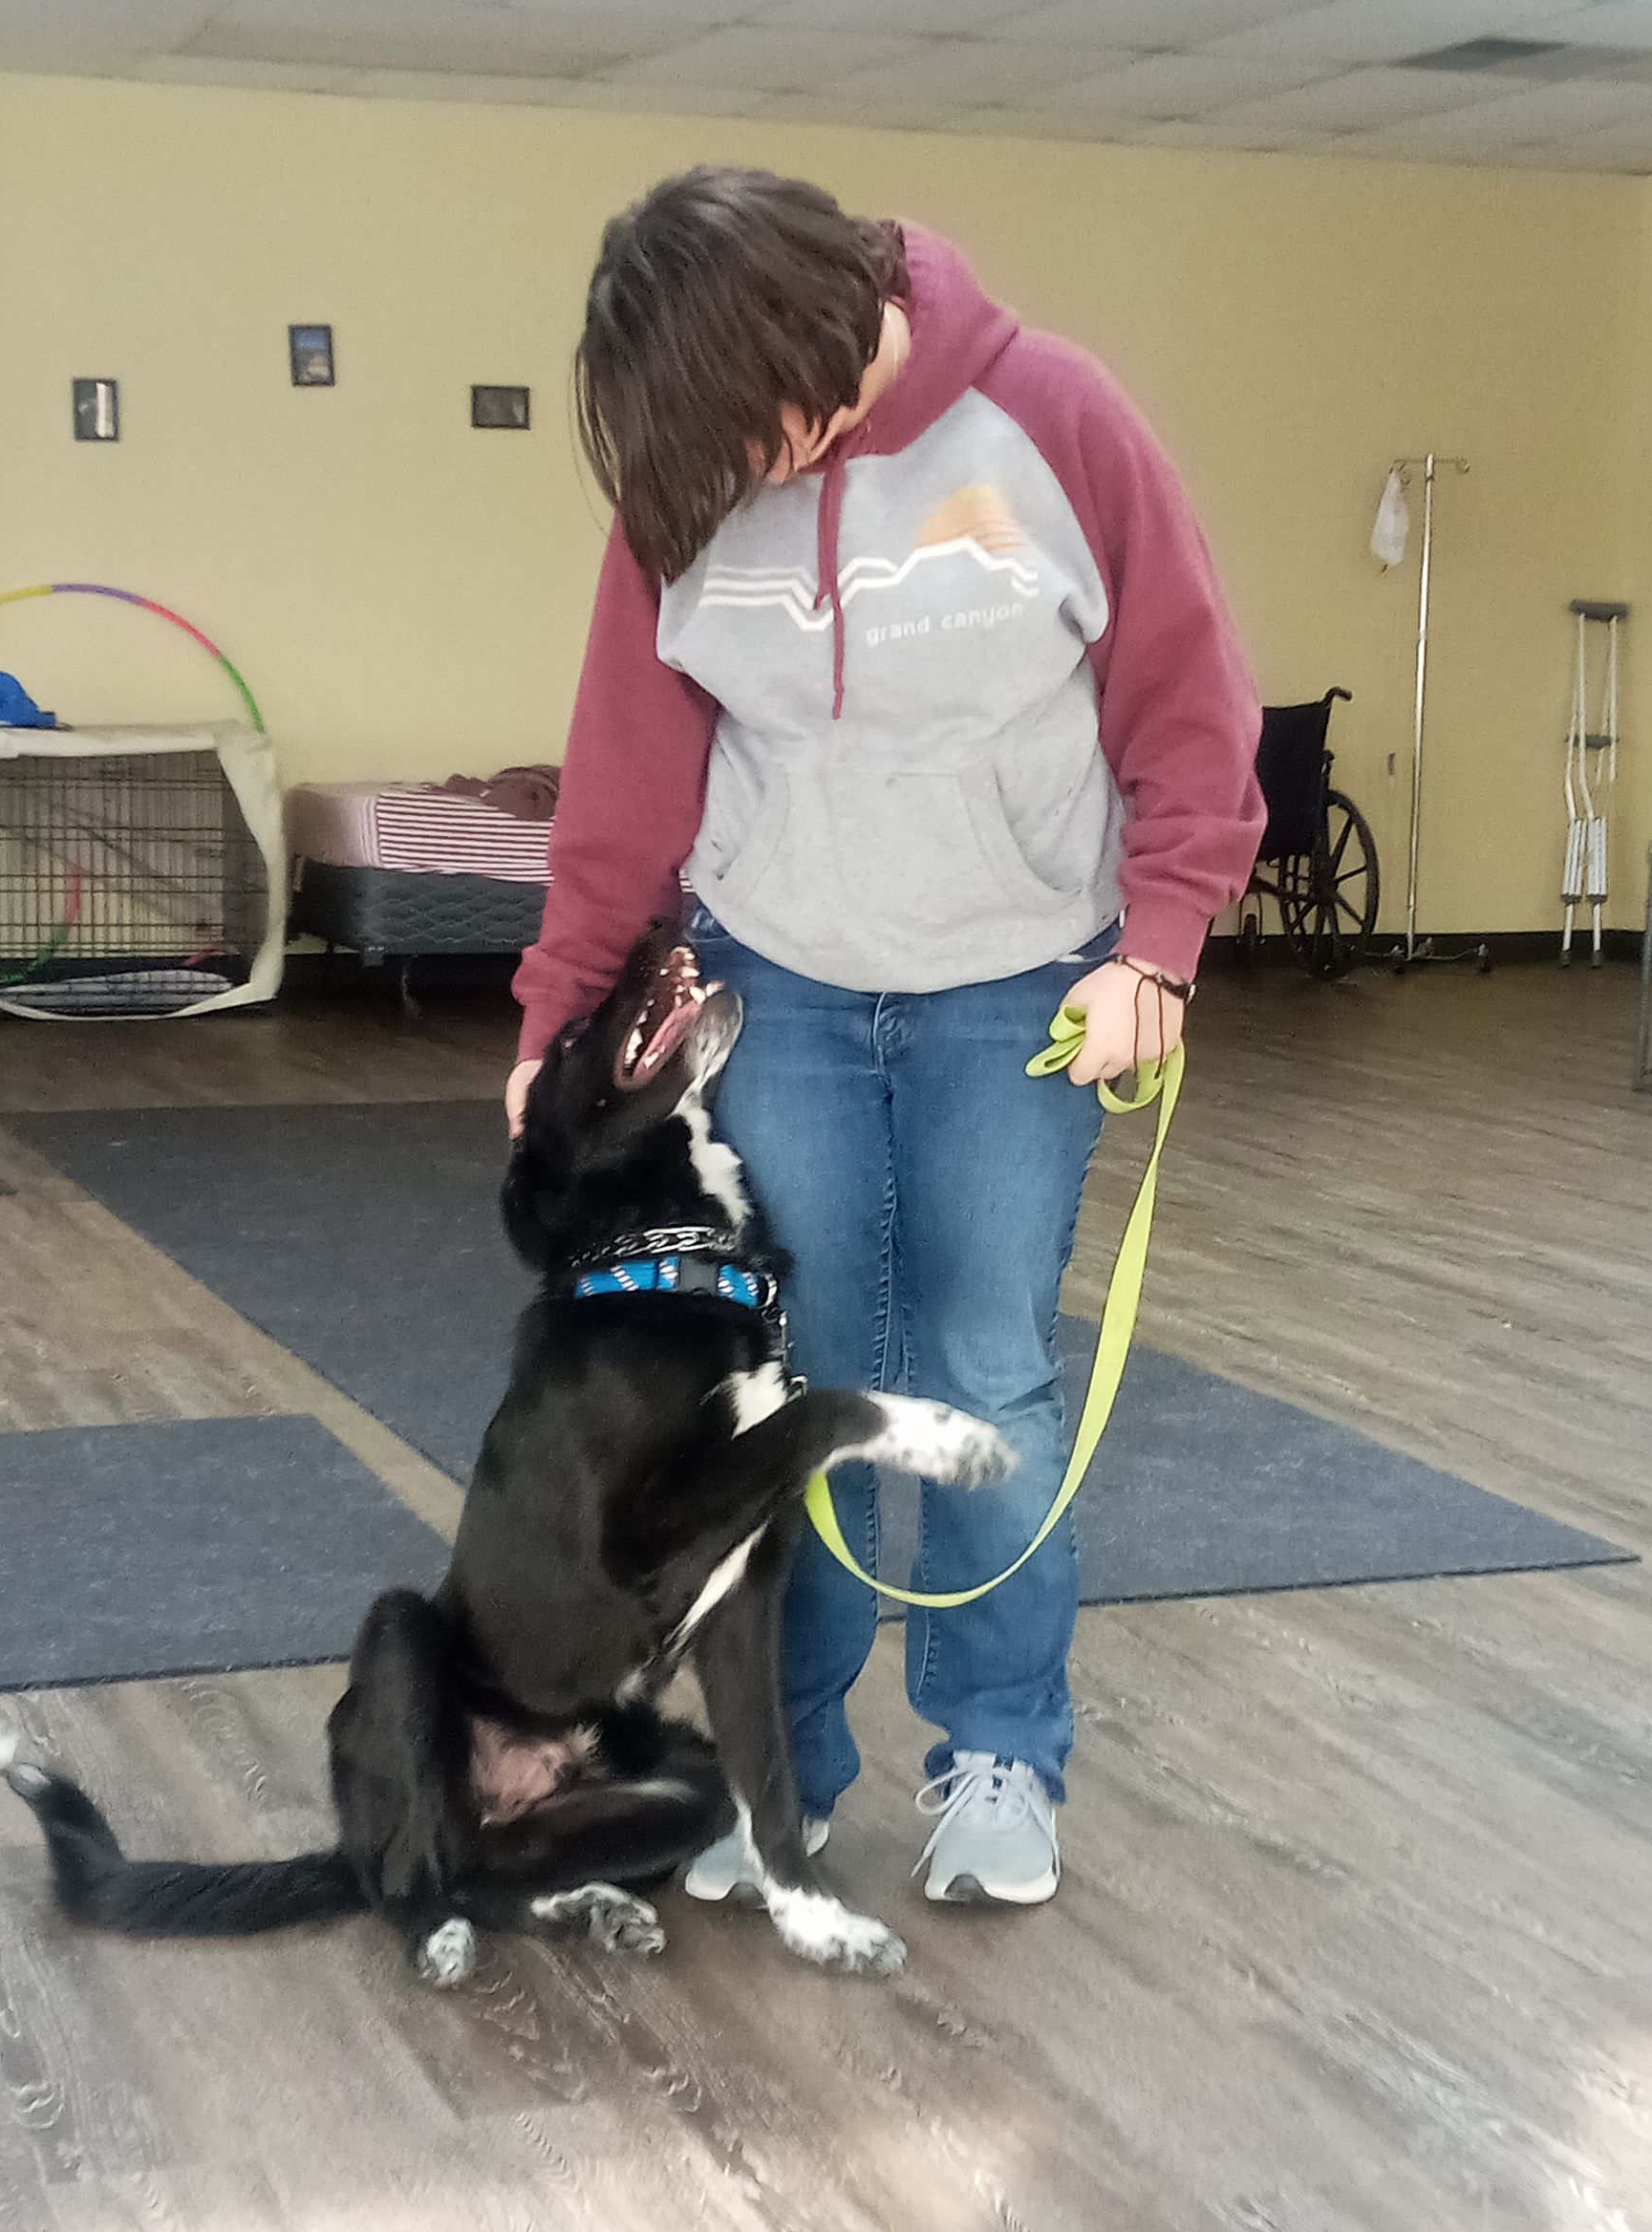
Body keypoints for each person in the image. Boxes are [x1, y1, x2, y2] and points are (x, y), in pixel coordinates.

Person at [507, 168, 1264, 1909]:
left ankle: (1000, 1750)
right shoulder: (690, 479)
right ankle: (778, 1770)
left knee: (987, 1368)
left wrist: (1162, 945)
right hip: (778, 975)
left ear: (814, 337)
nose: (730, 481)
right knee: (801, 1382)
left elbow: (1189, 699)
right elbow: (626, 787)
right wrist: (562, 1016)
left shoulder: (1053, 419)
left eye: (739, 431)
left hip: (1022, 977)